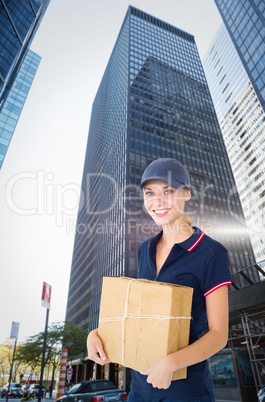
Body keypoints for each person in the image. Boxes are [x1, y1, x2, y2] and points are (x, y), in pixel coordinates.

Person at [87, 158, 231, 401]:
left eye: (168, 191)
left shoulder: (211, 252)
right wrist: (97, 334)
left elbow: (218, 335)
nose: (158, 201)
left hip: (186, 390)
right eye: (150, 193)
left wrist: (172, 363)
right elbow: (142, 316)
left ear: (186, 194)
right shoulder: (145, 249)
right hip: (139, 387)